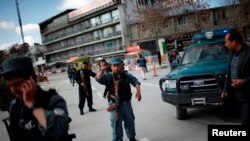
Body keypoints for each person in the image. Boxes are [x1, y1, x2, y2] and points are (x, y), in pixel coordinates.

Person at [1, 56, 75, 141]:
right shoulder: (14, 104)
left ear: (31, 79)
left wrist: (32, 104)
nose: (13, 90)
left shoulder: (53, 100)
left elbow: (59, 130)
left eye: (17, 84)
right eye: (10, 86)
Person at [96, 58, 142, 141]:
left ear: (121, 66)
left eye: (118, 65)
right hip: (115, 104)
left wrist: (138, 92)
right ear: (111, 67)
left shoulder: (126, 74)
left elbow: (136, 82)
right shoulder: (108, 76)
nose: (116, 67)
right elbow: (98, 79)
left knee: (130, 121)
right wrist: (102, 70)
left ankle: (132, 138)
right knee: (116, 124)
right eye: (114, 66)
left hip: (126, 103)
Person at [221, 31, 250, 126]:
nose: (225, 45)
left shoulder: (248, 53)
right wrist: (225, 90)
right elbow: (229, 73)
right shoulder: (231, 54)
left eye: (226, 42)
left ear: (233, 42)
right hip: (236, 95)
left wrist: (244, 81)